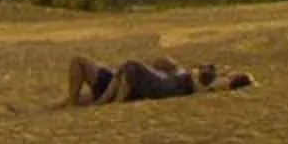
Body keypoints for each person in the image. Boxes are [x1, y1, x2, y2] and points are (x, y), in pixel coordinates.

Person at [66, 53, 251, 105]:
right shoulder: (174, 75)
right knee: (85, 70)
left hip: (125, 83)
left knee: (79, 61)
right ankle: (71, 100)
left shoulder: (193, 80)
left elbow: (211, 87)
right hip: (124, 81)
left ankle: (71, 101)